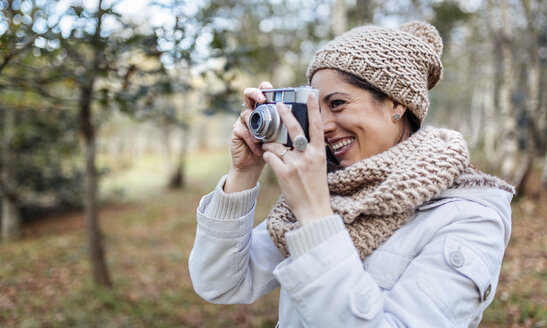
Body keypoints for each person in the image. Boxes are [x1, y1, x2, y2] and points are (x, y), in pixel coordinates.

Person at [188, 21, 514, 327]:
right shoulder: (334, 188)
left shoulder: (470, 216)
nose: (324, 125)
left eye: (338, 103)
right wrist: (244, 173)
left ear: (396, 104)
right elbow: (220, 283)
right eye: (316, 108)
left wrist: (315, 217)